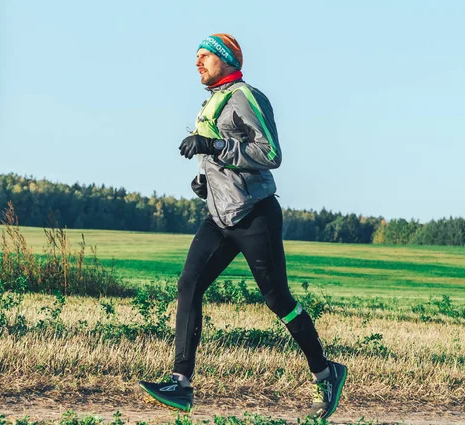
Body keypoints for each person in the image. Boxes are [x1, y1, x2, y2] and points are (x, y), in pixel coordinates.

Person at [139, 33, 347, 419]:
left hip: (254, 216)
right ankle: (181, 385)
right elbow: (225, 154)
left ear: (225, 59)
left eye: (204, 56)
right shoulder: (213, 101)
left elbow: (269, 154)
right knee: (189, 285)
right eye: (196, 57)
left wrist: (213, 148)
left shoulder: (245, 96)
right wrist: (207, 179)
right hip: (219, 219)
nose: (197, 63)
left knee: (277, 300)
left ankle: (325, 372)